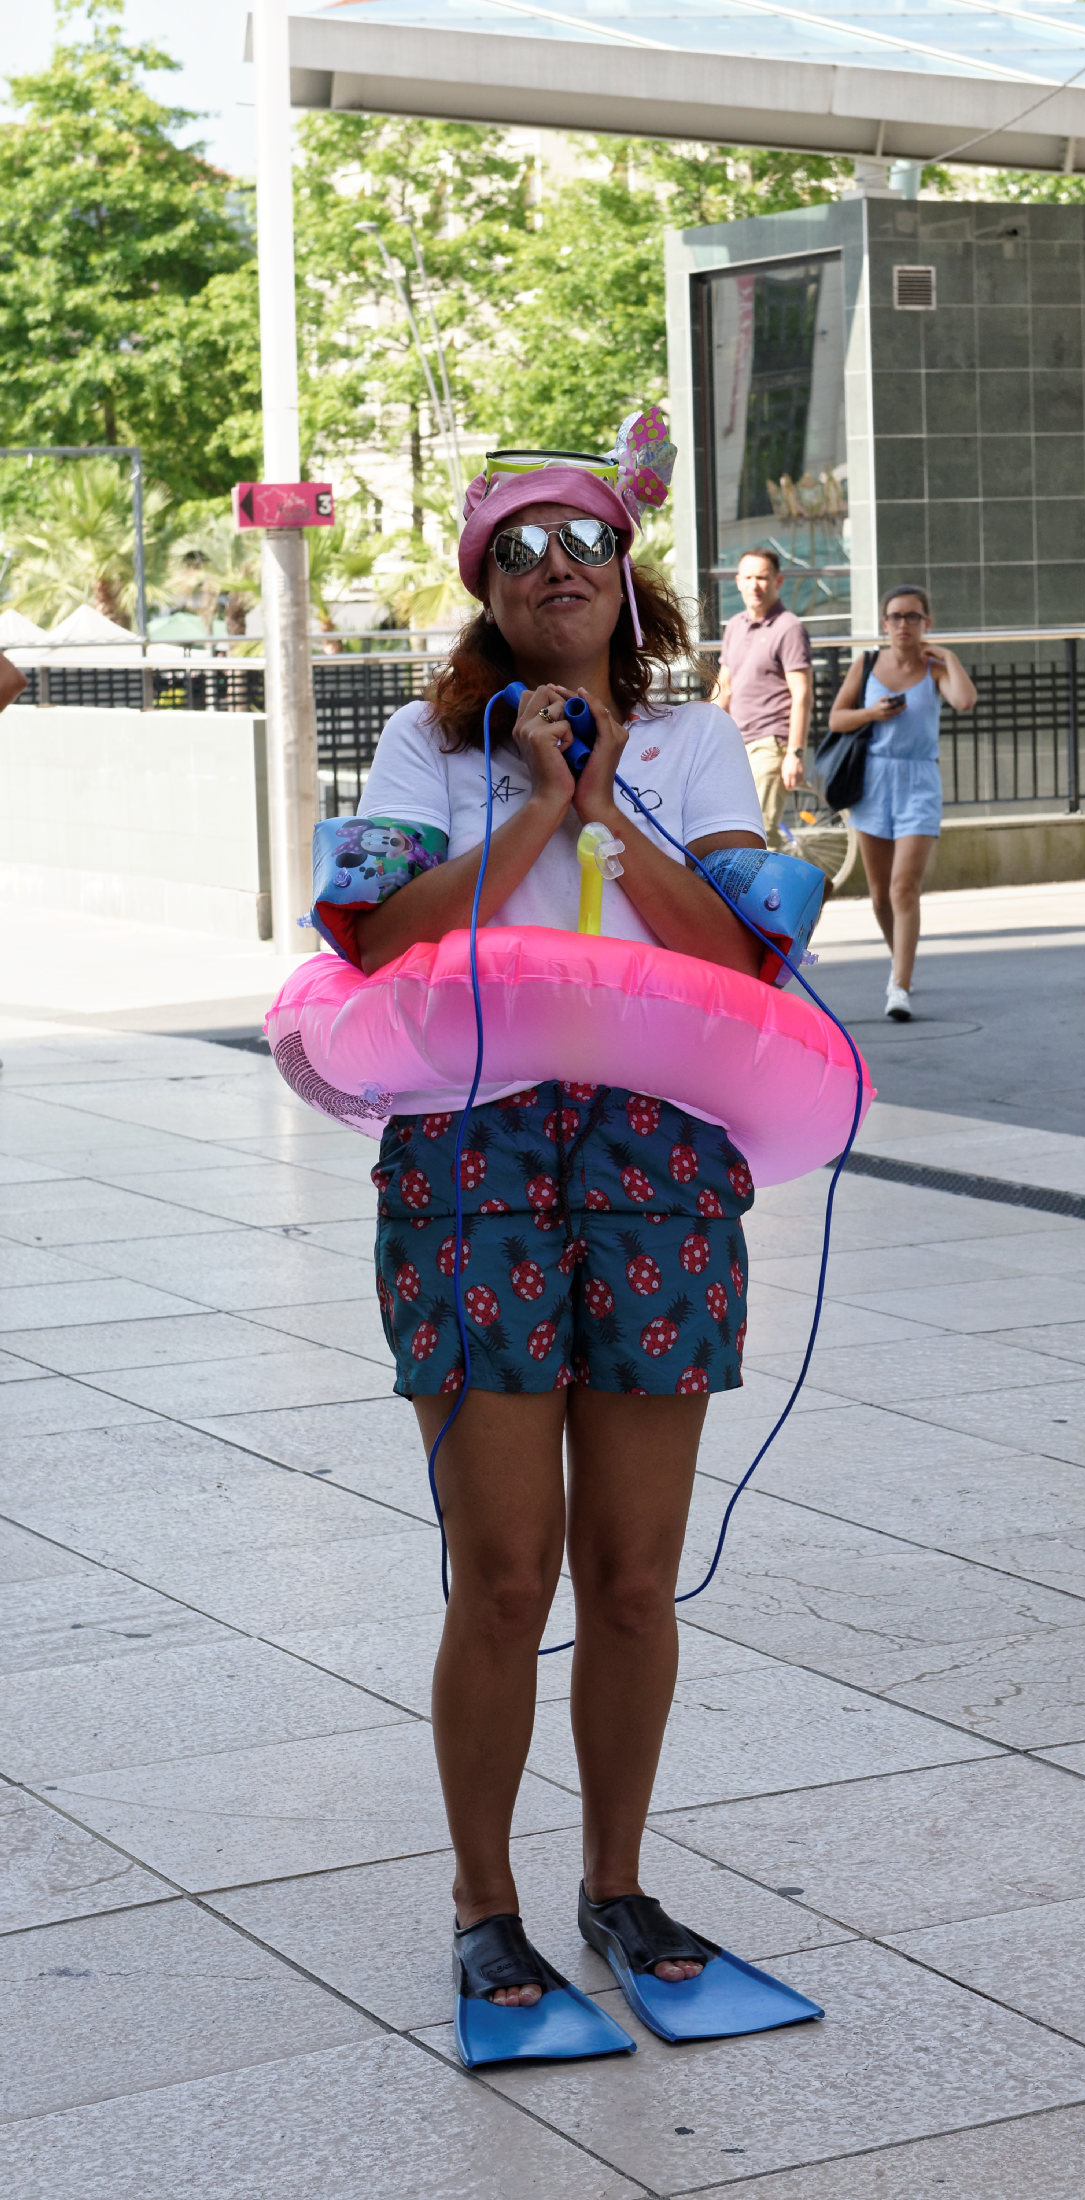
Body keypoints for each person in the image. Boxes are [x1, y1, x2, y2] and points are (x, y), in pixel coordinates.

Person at [351, 440, 780, 2051]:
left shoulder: (692, 742)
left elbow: (740, 950)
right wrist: (537, 805)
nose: (556, 566)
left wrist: (607, 805)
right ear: (485, 584)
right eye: (519, 546)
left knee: (636, 1578)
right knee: (505, 1575)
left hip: (658, 1158)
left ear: (624, 567)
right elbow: (381, 935)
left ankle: (618, 1886)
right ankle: (485, 1909)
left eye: (582, 539)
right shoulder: (425, 743)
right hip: (472, 1157)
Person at [826, 584, 976, 1020]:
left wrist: (948, 656)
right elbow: (836, 719)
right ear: (884, 622)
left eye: (912, 616)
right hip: (873, 781)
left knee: (903, 887)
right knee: (879, 895)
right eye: (895, 616)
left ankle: (900, 987)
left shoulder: (935, 669)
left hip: (919, 781)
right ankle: (901, 962)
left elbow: (965, 700)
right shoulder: (868, 663)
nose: (903, 624)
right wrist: (872, 713)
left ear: (927, 622)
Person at [713, 547, 812, 848]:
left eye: (762, 578)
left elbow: (802, 694)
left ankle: (780, 880)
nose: (754, 585)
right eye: (748, 578)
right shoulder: (735, 625)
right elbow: (724, 688)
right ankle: (794, 877)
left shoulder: (789, 627)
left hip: (771, 744)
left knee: (758, 836)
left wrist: (795, 753)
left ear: (778, 581)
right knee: (743, 833)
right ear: (738, 581)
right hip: (736, 744)